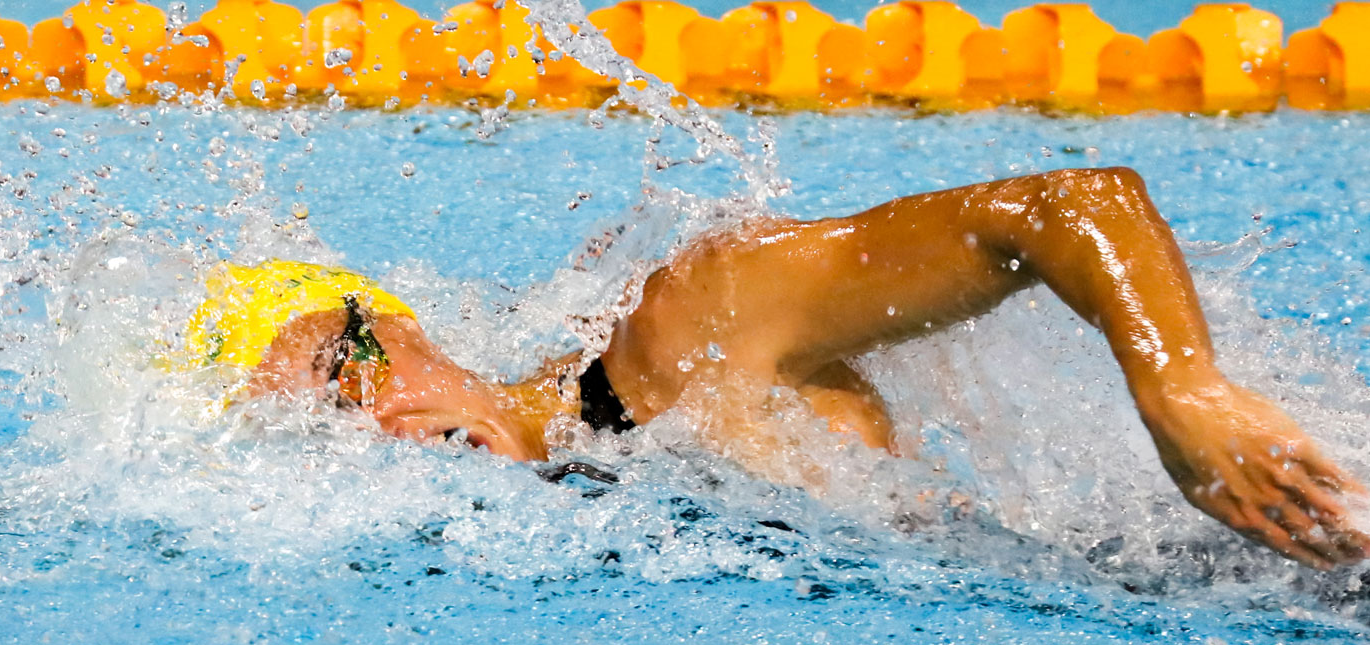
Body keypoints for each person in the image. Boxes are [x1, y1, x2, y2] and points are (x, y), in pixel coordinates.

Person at [185, 167, 1368, 569]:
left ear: (415, 333)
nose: (376, 425)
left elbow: (1064, 205)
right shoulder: (544, 505)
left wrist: (1181, 386)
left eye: (354, 365)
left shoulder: (679, 334)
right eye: (320, 425)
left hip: (1276, 521)